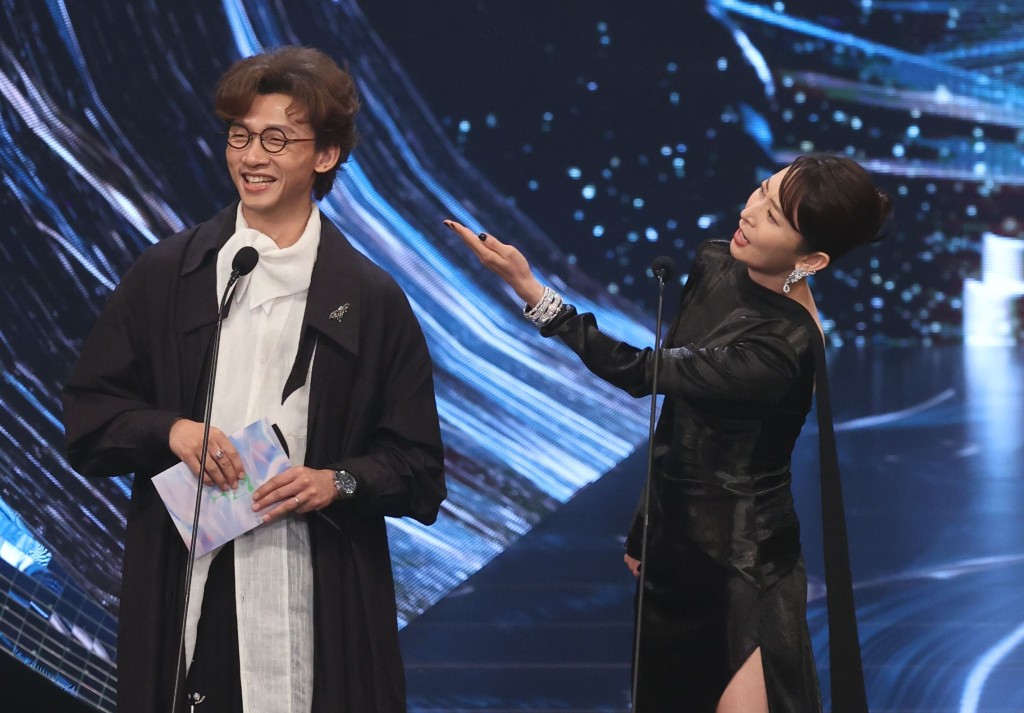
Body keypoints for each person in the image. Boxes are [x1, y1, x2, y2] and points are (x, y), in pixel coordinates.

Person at [62, 46, 446, 713]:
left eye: (277, 139)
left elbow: (418, 467)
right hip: (185, 581)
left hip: (317, 595)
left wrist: (337, 481)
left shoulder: (371, 299)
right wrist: (172, 431)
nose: (251, 157)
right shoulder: (170, 273)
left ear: (325, 155)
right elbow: (90, 414)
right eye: (240, 136)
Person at [445, 154, 893, 713]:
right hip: (675, 545)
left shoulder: (784, 348)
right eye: (761, 190)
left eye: (774, 215)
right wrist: (646, 527)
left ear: (813, 259)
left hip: (741, 566)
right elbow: (677, 417)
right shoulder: (715, 263)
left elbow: (644, 372)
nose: (750, 212)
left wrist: (533, 292)